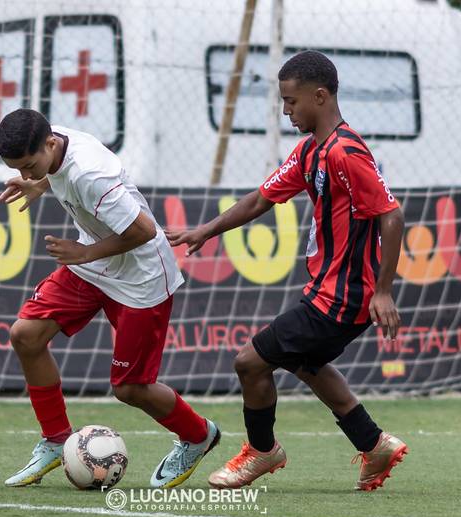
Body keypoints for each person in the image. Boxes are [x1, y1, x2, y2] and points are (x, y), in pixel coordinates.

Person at [167, 51, 408, 491]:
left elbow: (391, 216)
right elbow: (262, 198)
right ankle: (374, 445)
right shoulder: (311, 151)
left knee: (249, 363)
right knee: (305, 363)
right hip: (328, 289)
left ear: (320, 96)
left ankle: (262, 451)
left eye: (291, 101)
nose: (285, 111)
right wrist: (207, 229)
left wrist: (384, 291)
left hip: (344, 295)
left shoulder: (346, 151)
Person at [0, 108, 220, 489]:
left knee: (130, 388)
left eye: (30, 167)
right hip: (97, 262)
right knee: (26, 335)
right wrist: (41, 183)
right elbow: (56, 172)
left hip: (140, 277)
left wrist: (84, 253)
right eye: (20, 170)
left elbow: (144, 231)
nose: (27, 175)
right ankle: (55, 439)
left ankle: (198, 435)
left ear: (49, 144)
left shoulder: (91, 174)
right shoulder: (52, 141)